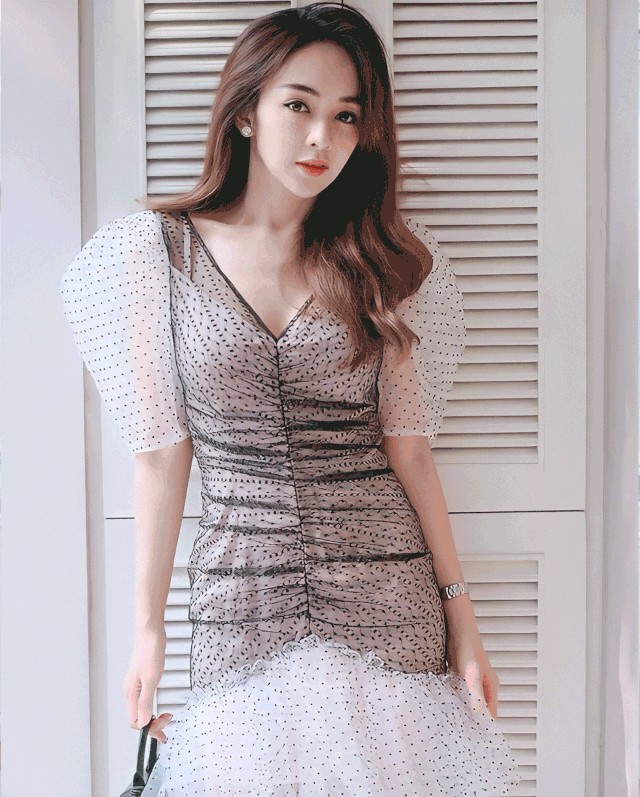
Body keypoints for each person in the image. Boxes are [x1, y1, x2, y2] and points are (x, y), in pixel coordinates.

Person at [60, 3, 521, 794]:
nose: (321, 139)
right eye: (299, 106)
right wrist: (147, 628)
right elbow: (161, 458)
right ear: (244, 111)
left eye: (347, 116)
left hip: (388, 591)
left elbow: (410, 451)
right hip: (240, 592)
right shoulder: (153, 256)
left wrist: (462, 615)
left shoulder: (382, 261)